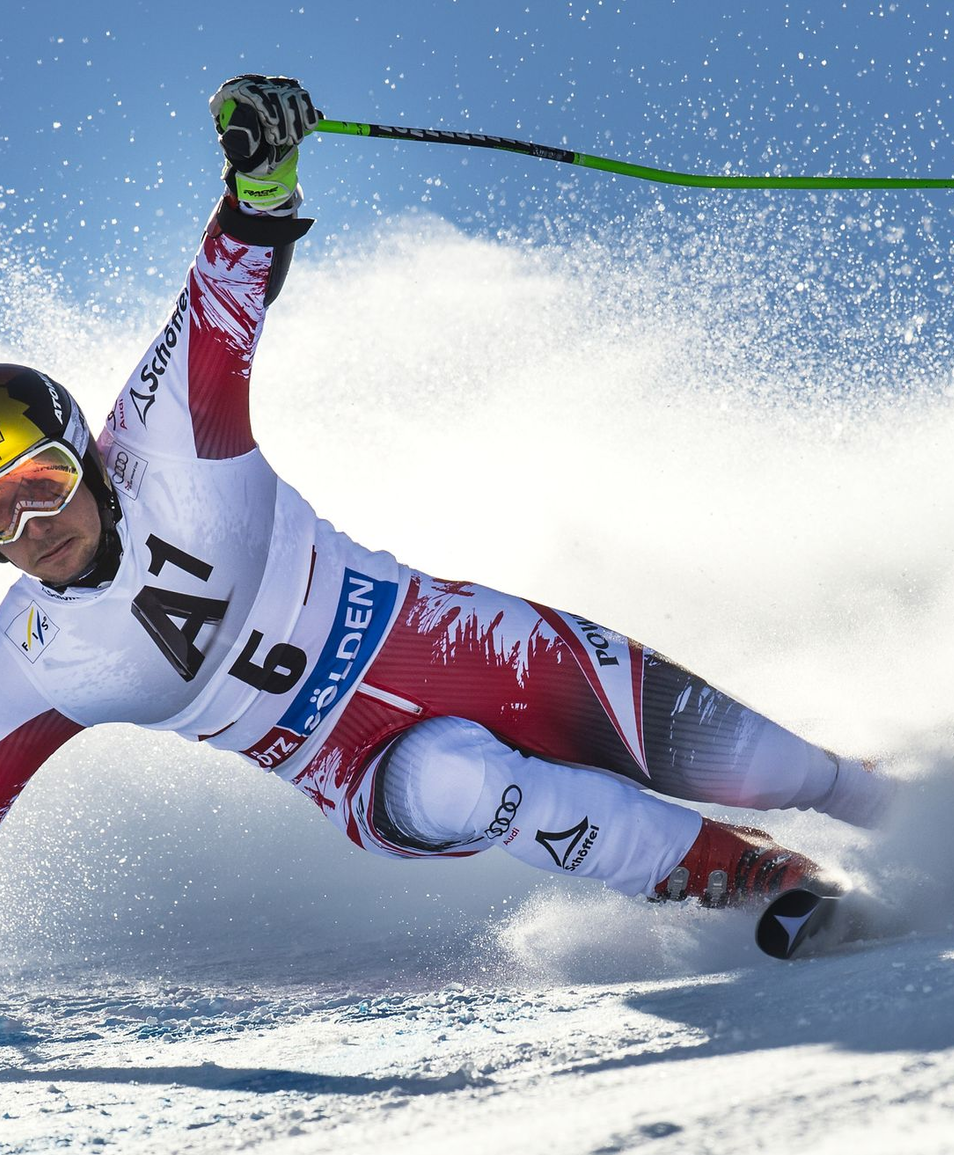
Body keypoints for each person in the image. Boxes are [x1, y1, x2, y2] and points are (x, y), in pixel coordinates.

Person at [0, 76, 894, 914]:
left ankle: (947, 814)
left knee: (765, 762)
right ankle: (754, 879)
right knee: (463, 779)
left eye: (42, 484)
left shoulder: (166, 435)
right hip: (358, 771)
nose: (32, 529)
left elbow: (227, 281)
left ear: (89, 451)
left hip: (453, 639)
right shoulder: (34, 656)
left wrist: (262, 173)